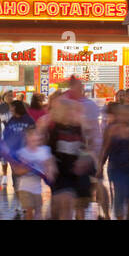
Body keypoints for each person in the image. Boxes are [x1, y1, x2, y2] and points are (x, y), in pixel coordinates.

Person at [45, 91, 94, 220]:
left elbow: (86, 149)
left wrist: (85, 159)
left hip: (76, 175)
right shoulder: (55, 129)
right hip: (60, 173)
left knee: (72, 205)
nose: (75, 114)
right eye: (71, 111)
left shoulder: (79, 129)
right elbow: (48, 150)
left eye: (76, 111)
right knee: (62, 205)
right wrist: (50, 165)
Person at [101, 104, 129, 220]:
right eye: (122, 114)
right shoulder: (111, 129)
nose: (125, 117)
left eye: (127, 114)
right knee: (120, 194)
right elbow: (105, 148)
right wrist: (100, 165)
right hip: (116, 168)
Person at [12, 125, 55, 220]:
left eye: (38, 135)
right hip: (24, 188)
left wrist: (49, 173)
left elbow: (49, 165)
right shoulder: (22, 153)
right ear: (27, 138)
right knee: (29, 211)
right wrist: (28, 167)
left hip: (37, 189)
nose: (36, 138)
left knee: (39, 211)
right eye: (33, 135)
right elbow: (17, 171)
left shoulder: (43, 151)